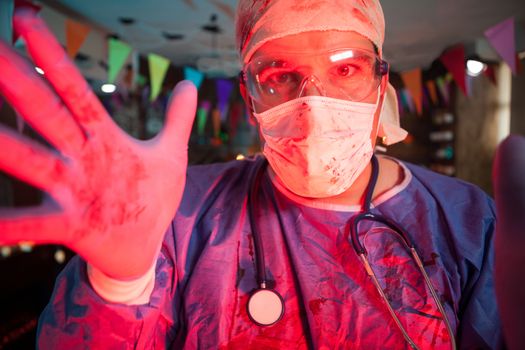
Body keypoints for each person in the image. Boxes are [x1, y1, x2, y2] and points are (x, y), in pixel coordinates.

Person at [0, 1, 504, 349]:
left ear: (381, 82)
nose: (313, 106)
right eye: (279, 76)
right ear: (248, 97)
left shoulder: (463, 219)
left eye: (346, 70)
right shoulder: (177, 212)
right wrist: (117, 286)